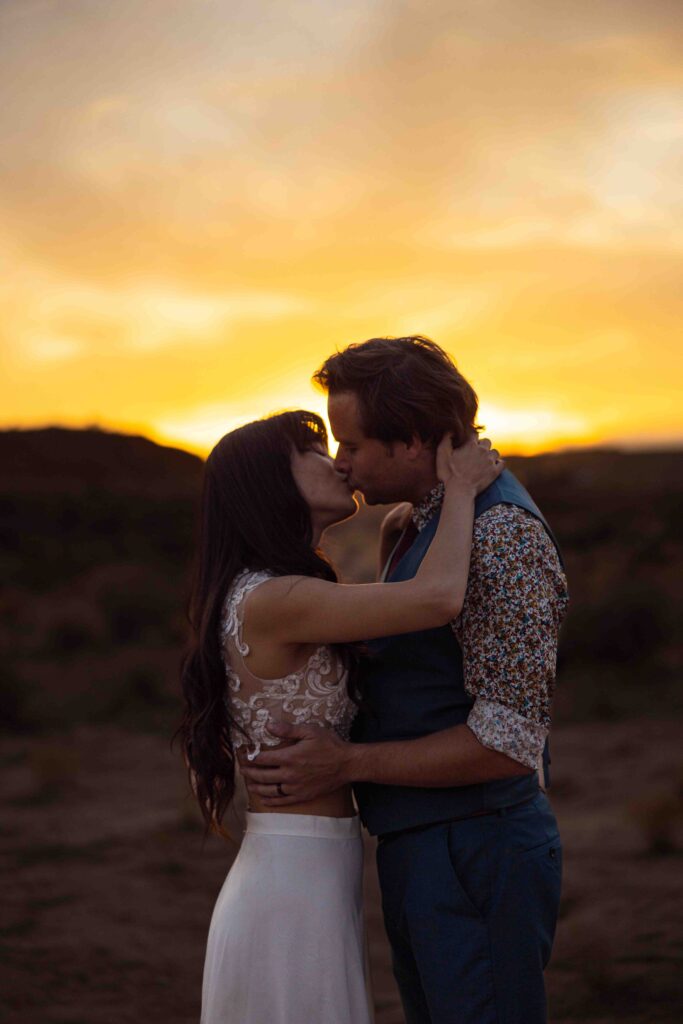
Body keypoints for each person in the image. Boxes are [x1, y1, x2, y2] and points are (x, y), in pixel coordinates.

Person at [241, 336, 570, 1024]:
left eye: (353, 445)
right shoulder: (419, 526)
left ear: (414, 439)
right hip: (427, 846)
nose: (341, 462)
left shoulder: (500, 537)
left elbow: (507, 742)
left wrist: (348, 761)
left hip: (478, 847)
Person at [177, 407, 504, 1024]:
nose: (337, 463)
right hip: (291, 881)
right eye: (313, 450)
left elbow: (380, 608)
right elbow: (436, 598)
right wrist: (460, 488)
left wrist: (410, 519)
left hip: (309, 868)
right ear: (272, 481)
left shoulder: (279, 591)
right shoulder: (278, 599)